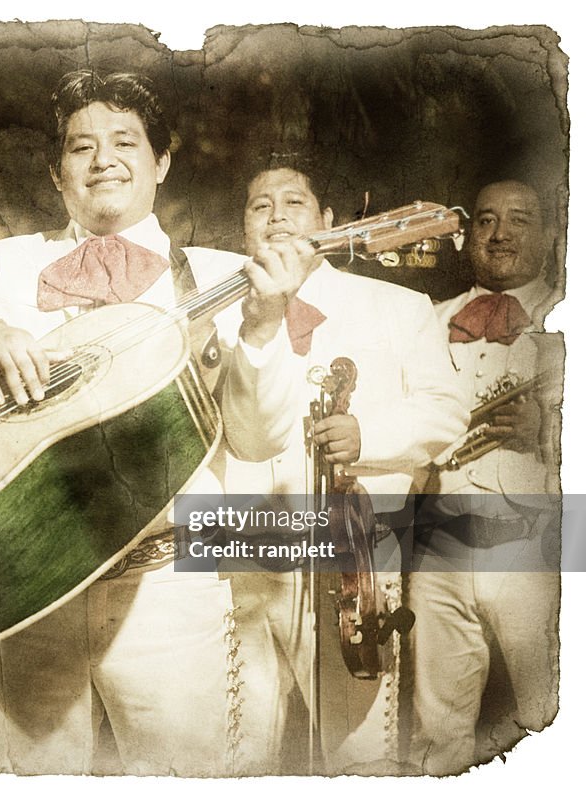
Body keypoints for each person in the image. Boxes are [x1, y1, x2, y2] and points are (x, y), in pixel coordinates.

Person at [0, 70, 244, 776]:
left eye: (126, 141)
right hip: (28, 581)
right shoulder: (1, 264)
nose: (103, 160)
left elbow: (259, 435)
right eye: (81, 146)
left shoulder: (220, 275)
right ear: (57, 173)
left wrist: (268, 326)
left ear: (162, 161)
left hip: (169, 584)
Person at [217, 164, 469, 772]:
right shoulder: (218, 311)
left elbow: (447, 412)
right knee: (233, 755)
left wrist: (370, 436)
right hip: (238, 568)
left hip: (353, 570)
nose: (276, 216)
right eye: (259, 207)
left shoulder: (399, 305)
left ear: (328, 221)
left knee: (360, 757)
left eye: (293, 202)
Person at [408, 180, 561, 774]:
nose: (500, 235)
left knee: (549, 711)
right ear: (466, 236)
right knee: (435, 726)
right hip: (438, 540)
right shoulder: (425, 319)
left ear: (551, 235)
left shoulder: (568, 315)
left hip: (537, 544)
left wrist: (549, 433)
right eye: (486, 221)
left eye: (520, 220)